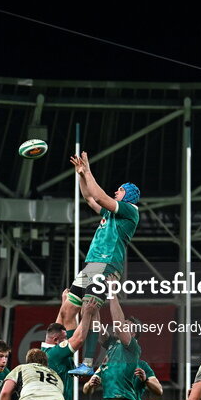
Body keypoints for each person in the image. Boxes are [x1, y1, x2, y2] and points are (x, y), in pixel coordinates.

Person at [63, 151, 140, 376]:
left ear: (128, 195)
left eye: (120, 189)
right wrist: (80, 175)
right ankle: (69, 356)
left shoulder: (130, 210)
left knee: (90, 307)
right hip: (91, 264)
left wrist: (88, 170)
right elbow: (89, 197)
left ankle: (87, 362)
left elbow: (99, 194)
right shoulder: (111, 212)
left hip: (107, 265)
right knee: (69, 309)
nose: (117, 191)